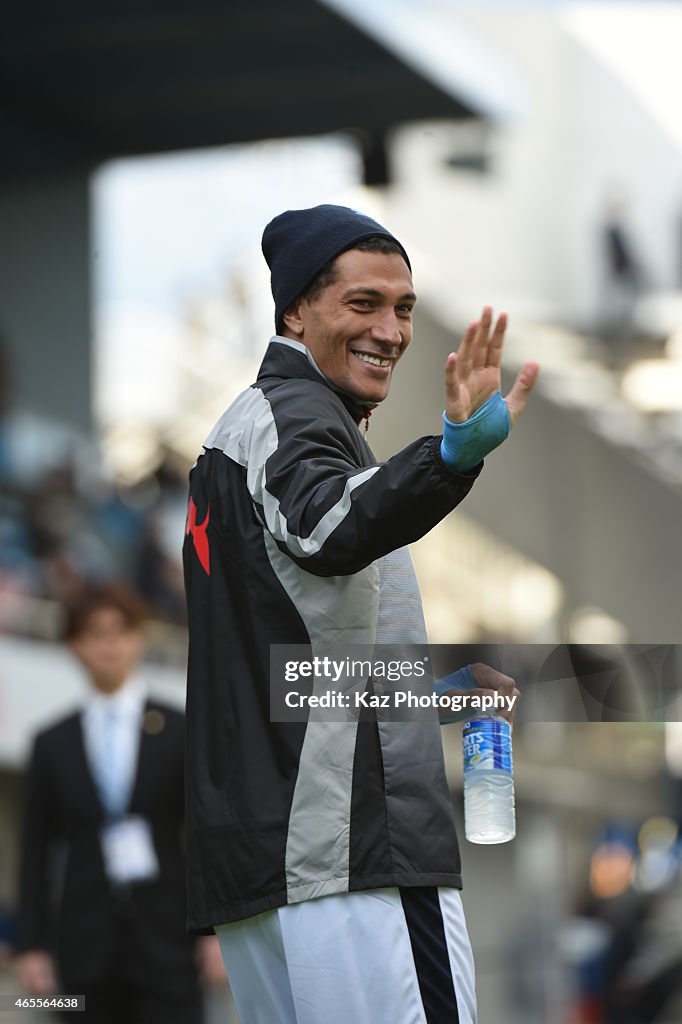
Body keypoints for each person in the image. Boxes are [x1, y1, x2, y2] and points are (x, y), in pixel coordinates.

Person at [183, 204, 538, 1023]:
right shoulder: (293, 415)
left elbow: (295, 680)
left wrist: (440, 692)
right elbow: (325, 523)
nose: (391, 328)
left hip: (274, 864)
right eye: (363, 303)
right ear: (295, 311)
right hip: (352, 855)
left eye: (405, 308)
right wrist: (450, 453)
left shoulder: (245, 431)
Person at [15, 583, 225, 1023]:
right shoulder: (53, 742)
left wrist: (215, 933)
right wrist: (31, 945)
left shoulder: (178, 730)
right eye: (94, 633)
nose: (109, 645)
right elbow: (34, 850)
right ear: (74, 645)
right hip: (83, 944)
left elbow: (207, 835)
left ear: (138, 638)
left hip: (170, 942)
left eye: (120, 631)